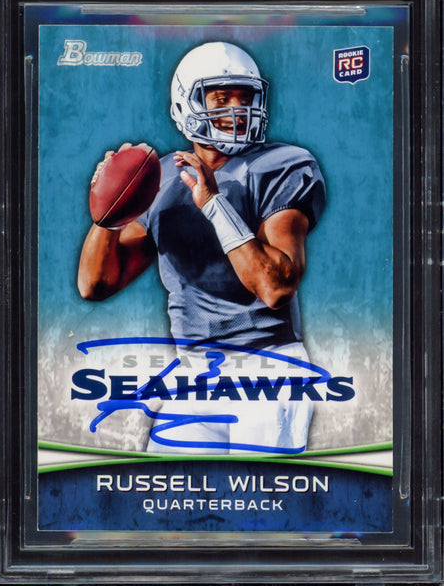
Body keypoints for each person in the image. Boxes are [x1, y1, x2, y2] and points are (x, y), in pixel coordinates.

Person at [78, 41, 326, 454]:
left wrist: (213, 204)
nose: (237, 110)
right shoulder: (161, 178)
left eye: (245, 97)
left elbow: (276, 286)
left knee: (256, 493)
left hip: (267, 365)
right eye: (222, 98)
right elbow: (96, 285)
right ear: (186, 103)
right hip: (192, 370)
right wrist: (108, 215)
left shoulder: (281, 165)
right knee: (169, 491)